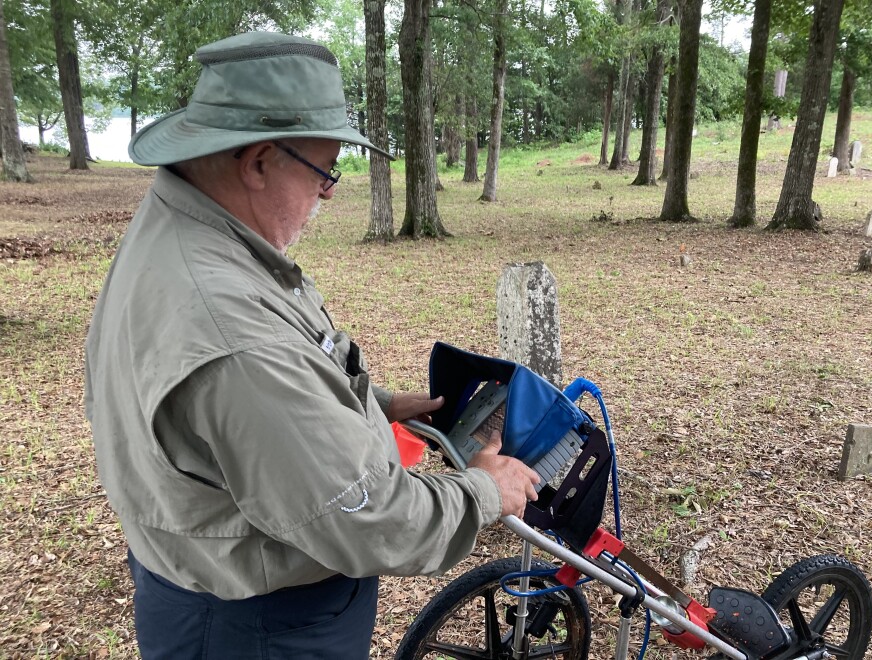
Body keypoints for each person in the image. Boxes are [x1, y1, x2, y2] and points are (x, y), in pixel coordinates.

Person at [84, 31, 539, 659]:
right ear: (260, 161)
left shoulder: (180, 228)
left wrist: (364, 405)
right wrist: (487, 492)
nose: (329, 192)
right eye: (325, 170)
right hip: (260, 627)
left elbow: (242, 415)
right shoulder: (233, 335)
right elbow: (367, 517)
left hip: (211, 593)